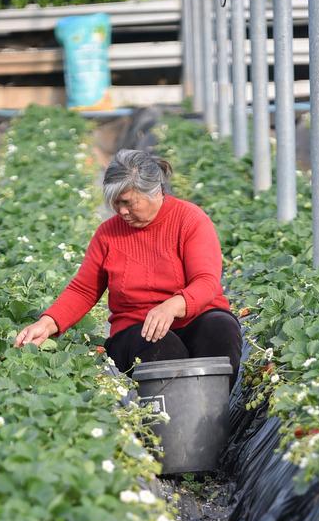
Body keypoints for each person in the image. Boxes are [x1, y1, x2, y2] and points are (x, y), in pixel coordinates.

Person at [13, 148, 242, 381]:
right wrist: (48, 323)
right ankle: (168, 415)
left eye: (128, 202)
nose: (121, 211)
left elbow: (206, 281)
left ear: (154, 192)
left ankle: (214, 411)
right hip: (137, 330)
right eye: (115, 202)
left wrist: (172, 306)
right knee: (162, 348)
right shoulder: (108, 235)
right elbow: (84, 290)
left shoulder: (190, 220)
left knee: (220, 328)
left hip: (194, 319)